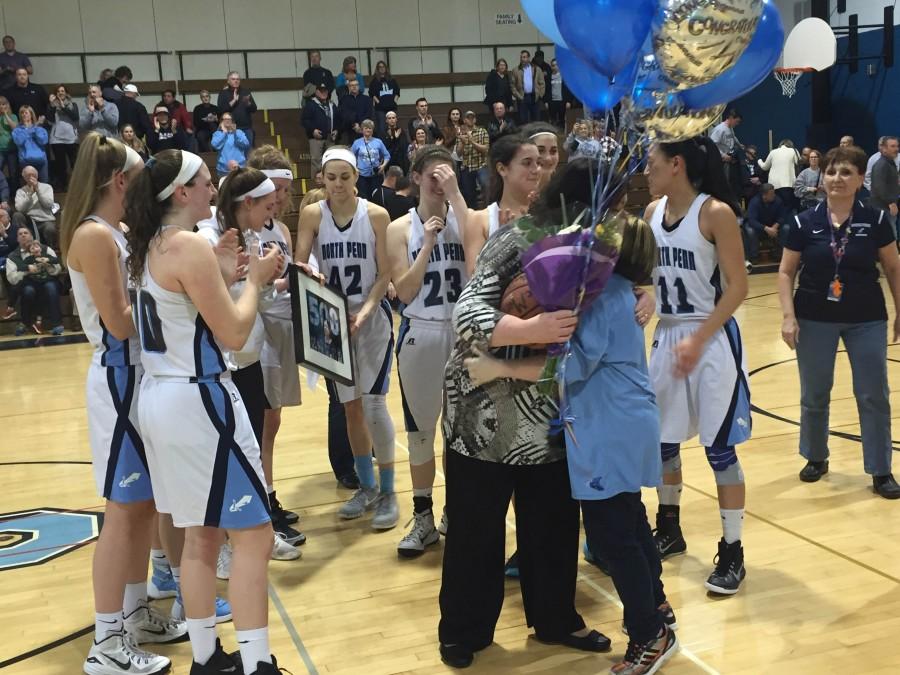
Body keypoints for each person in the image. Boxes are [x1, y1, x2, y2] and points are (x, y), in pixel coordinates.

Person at [437, 154, 611, 672]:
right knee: (475, 529)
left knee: (554, 525)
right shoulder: (515, 239)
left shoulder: (599, 250)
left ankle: (556, 618)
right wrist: (531, 330)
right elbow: (466, 314)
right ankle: (464, 629)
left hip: (550, 409)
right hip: (483, 410)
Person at [124, 149, 286, 674]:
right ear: (181, 193)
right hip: (199, 400)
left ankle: (207, 658)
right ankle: (258, 664)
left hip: (162, 396)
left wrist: (218, 271)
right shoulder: (188, 244)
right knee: (255, 534)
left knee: (200, 534)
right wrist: (256, 279)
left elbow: (184, 306)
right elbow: (235, 334)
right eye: (206, 183)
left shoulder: (152, 244)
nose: (214, 189)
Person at [59, 134, 189, 675]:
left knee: (141, 508)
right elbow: (119, 322)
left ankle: (134, 612)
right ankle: (106, 642)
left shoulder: (114, 232)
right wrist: (180, 309)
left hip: (135, 376)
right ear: (121, 182)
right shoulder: (93, 235)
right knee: (121, 511)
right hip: (117, 379)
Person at [644, 136, 751, 596]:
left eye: (652, 163)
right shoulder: (651, 215)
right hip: (667, 336)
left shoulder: (715, 214)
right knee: (664, 444)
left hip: (710, 342)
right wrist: (644, 299)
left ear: (677, 165)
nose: (646, 171)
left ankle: (733, 550)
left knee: (719, 451)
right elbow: (649, 279)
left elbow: (739, 287)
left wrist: (699, 338)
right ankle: (669, 526)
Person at [198, 168, 305, 577]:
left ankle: (258, 530)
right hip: (222, 363)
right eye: (266, 203)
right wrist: (253, 279)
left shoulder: (253, 237)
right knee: (228, 455)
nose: (274, 208)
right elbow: (215, 303)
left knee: (251, 449)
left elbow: (251, 297)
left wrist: (275, 281)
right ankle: (226, 543)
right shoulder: (209, 239)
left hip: (249, 356)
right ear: (246, 204)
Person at [777, 144, 900, 499]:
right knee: (815, 393)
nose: (837, 178)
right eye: (831, 172)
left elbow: (893, 267)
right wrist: (788, 316)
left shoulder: (876, 220)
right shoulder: (804, 222)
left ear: (861, 178)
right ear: (822, 177)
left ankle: (880, 469)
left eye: (846, 172)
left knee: (873, 394)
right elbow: (785, 272)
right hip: (814, 317)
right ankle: (816, 455)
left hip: (867, 319)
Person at [296, 147, 399, 530]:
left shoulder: (376, 215)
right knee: (350, 408)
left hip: (369, 319)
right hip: (332, 322)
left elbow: (385, 274)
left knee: (373, 405)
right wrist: (311, 277)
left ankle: (388, 492)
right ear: (321, 177)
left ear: (357, 177)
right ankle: (367, 486)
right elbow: (301, 263)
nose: (338, 184)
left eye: (345, 176)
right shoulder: (312, 214)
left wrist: (368, 310)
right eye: (331, 177)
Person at [387, 145, 468, 556]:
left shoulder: (468, 221)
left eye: (448, 175)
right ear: (416, 178)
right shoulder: (400, 228)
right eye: (434, 175)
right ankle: (422, 519)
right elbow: (403, 290)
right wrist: (428, 244)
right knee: (421, 433)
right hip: (420, 331)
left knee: (460, 434)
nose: (441, 182)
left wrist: (457, 200)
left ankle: (455, 512)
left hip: (463, 334)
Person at [247, 146, 311, 547]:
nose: (283, 198)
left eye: (287, 191)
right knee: (263, 423)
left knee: (273, 422)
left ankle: (268, 493)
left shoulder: (282, 231)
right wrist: (287, 279)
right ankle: (263, 502)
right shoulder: (248, 231)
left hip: (283, 329)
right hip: (260, 331)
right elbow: (256, 285)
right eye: (277, 190)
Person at [462, 133, 540, 275]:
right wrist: (503, 244)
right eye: (527, 163)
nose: (536, 170)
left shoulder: (546, 215)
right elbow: (474, 281)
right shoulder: (479, 220)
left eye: (538, 163)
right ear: (502, 169)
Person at [5, 225, 63, 335]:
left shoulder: (46, 249)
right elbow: (12, 278)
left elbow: (58, 269)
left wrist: (47, 265)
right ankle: (25, 323)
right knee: (28, 291)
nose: (23, 235)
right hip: (28, 283)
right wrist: (27, 270)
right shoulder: (12, 256)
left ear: (32, 236)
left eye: (26, 233)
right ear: (17, 239)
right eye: (20, 234)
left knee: (51, 287)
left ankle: (57, 324)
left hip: (47, 280)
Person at [743, 183, 790, 262]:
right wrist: (766, 228)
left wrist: (775, 226)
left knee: (786, 228)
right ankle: (753, 256)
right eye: (771, 194)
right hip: (759, 227)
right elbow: (752, 220)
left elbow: (782, 216)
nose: (774, 195)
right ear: (764, 195)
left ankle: (779, 253)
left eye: (774, 193)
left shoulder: (778, 200)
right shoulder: (754, 202)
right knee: (750, 231)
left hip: (773, 226)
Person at [13, 165, 56, 246]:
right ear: (24, 178)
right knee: (17, 215)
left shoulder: (47, 187)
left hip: (45, 220)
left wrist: (38, 191)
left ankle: (51, 251)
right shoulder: (20, 191)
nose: (31, 177)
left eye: (33, 175)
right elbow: (19, 208)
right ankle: (25, 245)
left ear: (37, 175)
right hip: (29, 221)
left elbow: (48, 204)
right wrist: (30, 195)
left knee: (50, 228)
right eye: (28, 175)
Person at [302, 83, 339, 176]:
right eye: (321, 91)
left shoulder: (332, 104)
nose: (324, 93)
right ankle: (315, 187)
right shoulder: (310, 105)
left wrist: (337, 129)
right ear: (316, 92)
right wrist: (313, 130)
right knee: (316, 162)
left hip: (330, 137)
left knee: (331, 162)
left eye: (325, 91)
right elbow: (304, 120)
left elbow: (338, 119)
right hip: (316, 138)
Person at [46, 85, 78, 190]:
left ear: (66, 93)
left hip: (71, 138)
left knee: (75, 163)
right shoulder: (52, 106)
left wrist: (63, 107)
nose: (61, 93)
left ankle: (78, 185)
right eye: (58, 91)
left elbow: (75, 117)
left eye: (63, 91)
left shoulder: (73, 105)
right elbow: (49, 119)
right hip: (56, 139)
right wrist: (52, 106)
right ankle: (63, 185)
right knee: (61, 165)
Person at [457, 110, 489, 208]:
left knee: (486, 185)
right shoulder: (461, 133)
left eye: (472, 118)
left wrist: (472, 141)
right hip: (467, 166)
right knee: (468, 193)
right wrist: (462, 142)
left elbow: (485, 150)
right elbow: (458, 154)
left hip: (481, 164)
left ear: (475, 120)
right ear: (464, 120)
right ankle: (473, 212)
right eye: (468, 118)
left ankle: (486, 207)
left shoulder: (482, 131)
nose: (471, 120)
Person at [868, 136, 899, 236]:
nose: (896, 149)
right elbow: (879, 186)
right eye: (893, 146)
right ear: (884, 148)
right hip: (882, 207)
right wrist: (891, 203)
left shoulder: (890, 163)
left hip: (887, 205)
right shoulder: (882, 164)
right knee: (889, 233)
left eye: (897, 146)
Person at [350, 119, 390, 198]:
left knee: (376, 197)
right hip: (362, 176)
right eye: (366, 128)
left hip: (376, 174)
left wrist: (383, 166)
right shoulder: (357, 142)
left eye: (370, 128)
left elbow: (387, 155)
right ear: (362, 130)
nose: (368, 130)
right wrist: (355, 168)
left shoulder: (378, 142)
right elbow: (350, 156)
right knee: (363, 197)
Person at [709, 109, 743, 199]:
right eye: (737, 121)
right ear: (731, 118)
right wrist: (723, 155)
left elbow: (733, 137)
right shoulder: (719, 130)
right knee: (725, 182)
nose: (737, 124)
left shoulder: (730, 128)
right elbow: (712, 145)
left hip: (730, 158)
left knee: (732, 182)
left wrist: (740, 145)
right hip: (723, 160)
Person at [216, 72, 256, 147]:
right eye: (233, 79)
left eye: (238, 79)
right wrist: (233, 101)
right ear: (228, 81)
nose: (236, 81)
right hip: (229, 129)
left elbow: (254, 109)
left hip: (246, 128)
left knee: (248, 154)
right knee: (232, 153)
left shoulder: (245, 92)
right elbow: (220, 110)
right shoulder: (223, 93)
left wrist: (248, 103)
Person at [12, 106, 49, 183]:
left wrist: (35, 128)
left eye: (26, 112)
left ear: (31, 115)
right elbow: (19, 141)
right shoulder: (17, 130)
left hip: (41, 160)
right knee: (29, 187)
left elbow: (43, 141)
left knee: (44, 185)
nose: (24, 115)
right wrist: (27, 129)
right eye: (22, 113)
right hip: (26, 161)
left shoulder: (39, 128)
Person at [211, 112, 250, 178]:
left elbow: (246, 144)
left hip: (240, 168)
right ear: (221, 122)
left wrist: (235, 133)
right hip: (223, 169)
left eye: (229, 119)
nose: (227, 120)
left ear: (232, 121)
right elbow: (215, 145)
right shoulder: (217, 133)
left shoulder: (239, 132)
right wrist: (224, 133)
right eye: (225, 119)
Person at [511, 50, 545, 125]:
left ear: (529, 58)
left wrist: (540, 95)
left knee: (536, 119)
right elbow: (512, 86)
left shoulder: (537, 69)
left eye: (524, 57)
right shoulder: (515, 70)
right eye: (521, 57)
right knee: (523, 120)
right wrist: (518, 96)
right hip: (522, 97)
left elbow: (542, 83)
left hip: (534, 96)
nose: (523, 59)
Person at [369, 60, 399, 136]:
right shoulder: (374, 81)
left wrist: (394, 101)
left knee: (393, 127)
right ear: (377, 69)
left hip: (391, 107)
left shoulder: (392, 80)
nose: (382, 68)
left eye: (383, 66)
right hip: (380, 109)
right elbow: (372, 94)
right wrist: (379, 102)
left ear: (386, 68)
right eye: (380, 67)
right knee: (381, 128)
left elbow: (397, 92)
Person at [338, 78, 373, 143]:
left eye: (356, 85)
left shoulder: (367, 99)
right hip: (348, 130)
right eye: (352, 85)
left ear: (359, 86)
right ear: (348, 87)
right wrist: (354, 125)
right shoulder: (343, 100)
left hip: (364, 129)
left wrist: (360, 125)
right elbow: (343, 115)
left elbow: (369, 114)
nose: (354, 87)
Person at [381, 110, 409, 175]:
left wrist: (396, 138)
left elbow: (404, 146)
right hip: (389, 162)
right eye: (389, 118)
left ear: (396, 119)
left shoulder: (401, 131)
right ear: (386, 120)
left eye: (393, 118)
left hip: (400, 161)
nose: (392, 120)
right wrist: (392, 138)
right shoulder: (383, 132)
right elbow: (384, 147)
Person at [547, 58, 572, 128]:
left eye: (556, 65)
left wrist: (569, 101)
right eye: (553, 65)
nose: (554, 67)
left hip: (562, 101)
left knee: (562, 120)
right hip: (552, 101)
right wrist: (546, 101)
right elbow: (547, 90)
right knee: (553, 120)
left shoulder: (565, 76)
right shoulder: (549, 76)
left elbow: (569, 89)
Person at [0, 95, 18, 190]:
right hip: (0, 150)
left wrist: (6, 115)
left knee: (13, 173)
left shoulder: (13, 116)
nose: (2, 106)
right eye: (0, 105)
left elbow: (14, 128)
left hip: (12, 149)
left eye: (4, 104)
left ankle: (15, 194)